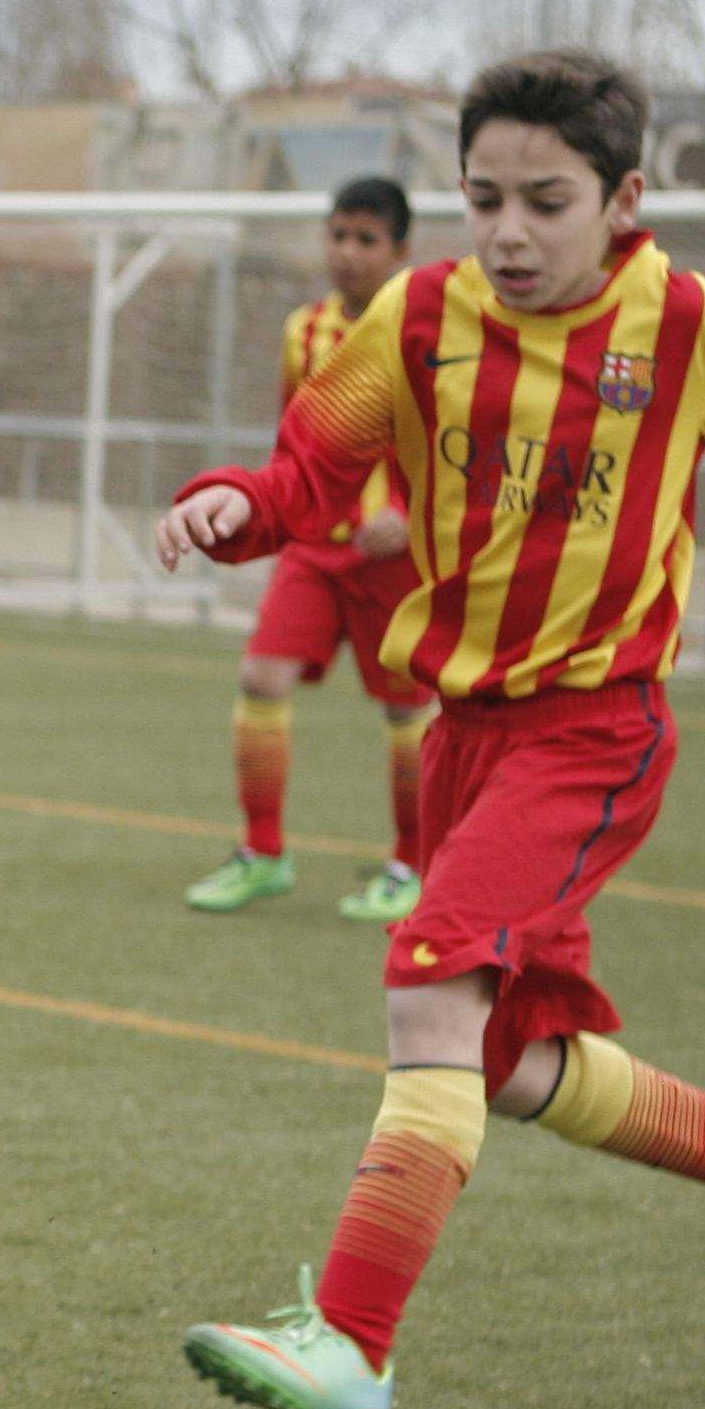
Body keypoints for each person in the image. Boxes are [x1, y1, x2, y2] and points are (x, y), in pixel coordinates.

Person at [154, 49, 705, 1409]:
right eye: (484, 198)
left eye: (546, 202)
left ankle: (352, 1346)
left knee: (430, 980)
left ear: (623, 200)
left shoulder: (685, 326)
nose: (509, 232)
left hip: (595, 728)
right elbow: (309, 471)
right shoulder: (420, 316)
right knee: (500, 1058)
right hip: (468, 736)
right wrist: (235, 503)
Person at [187, 176, 433, 923]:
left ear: (399, 251)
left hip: (395, 558)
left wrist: (407, 513)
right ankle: (263, 853)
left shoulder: (429, 337)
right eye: (338, 235)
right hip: (314, 548)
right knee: (262, 676)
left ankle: (413, 864)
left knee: (408, 711)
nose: (347, 252)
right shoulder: (304, 331)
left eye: (366, 240)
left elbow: (449, 445)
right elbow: (297, 442)